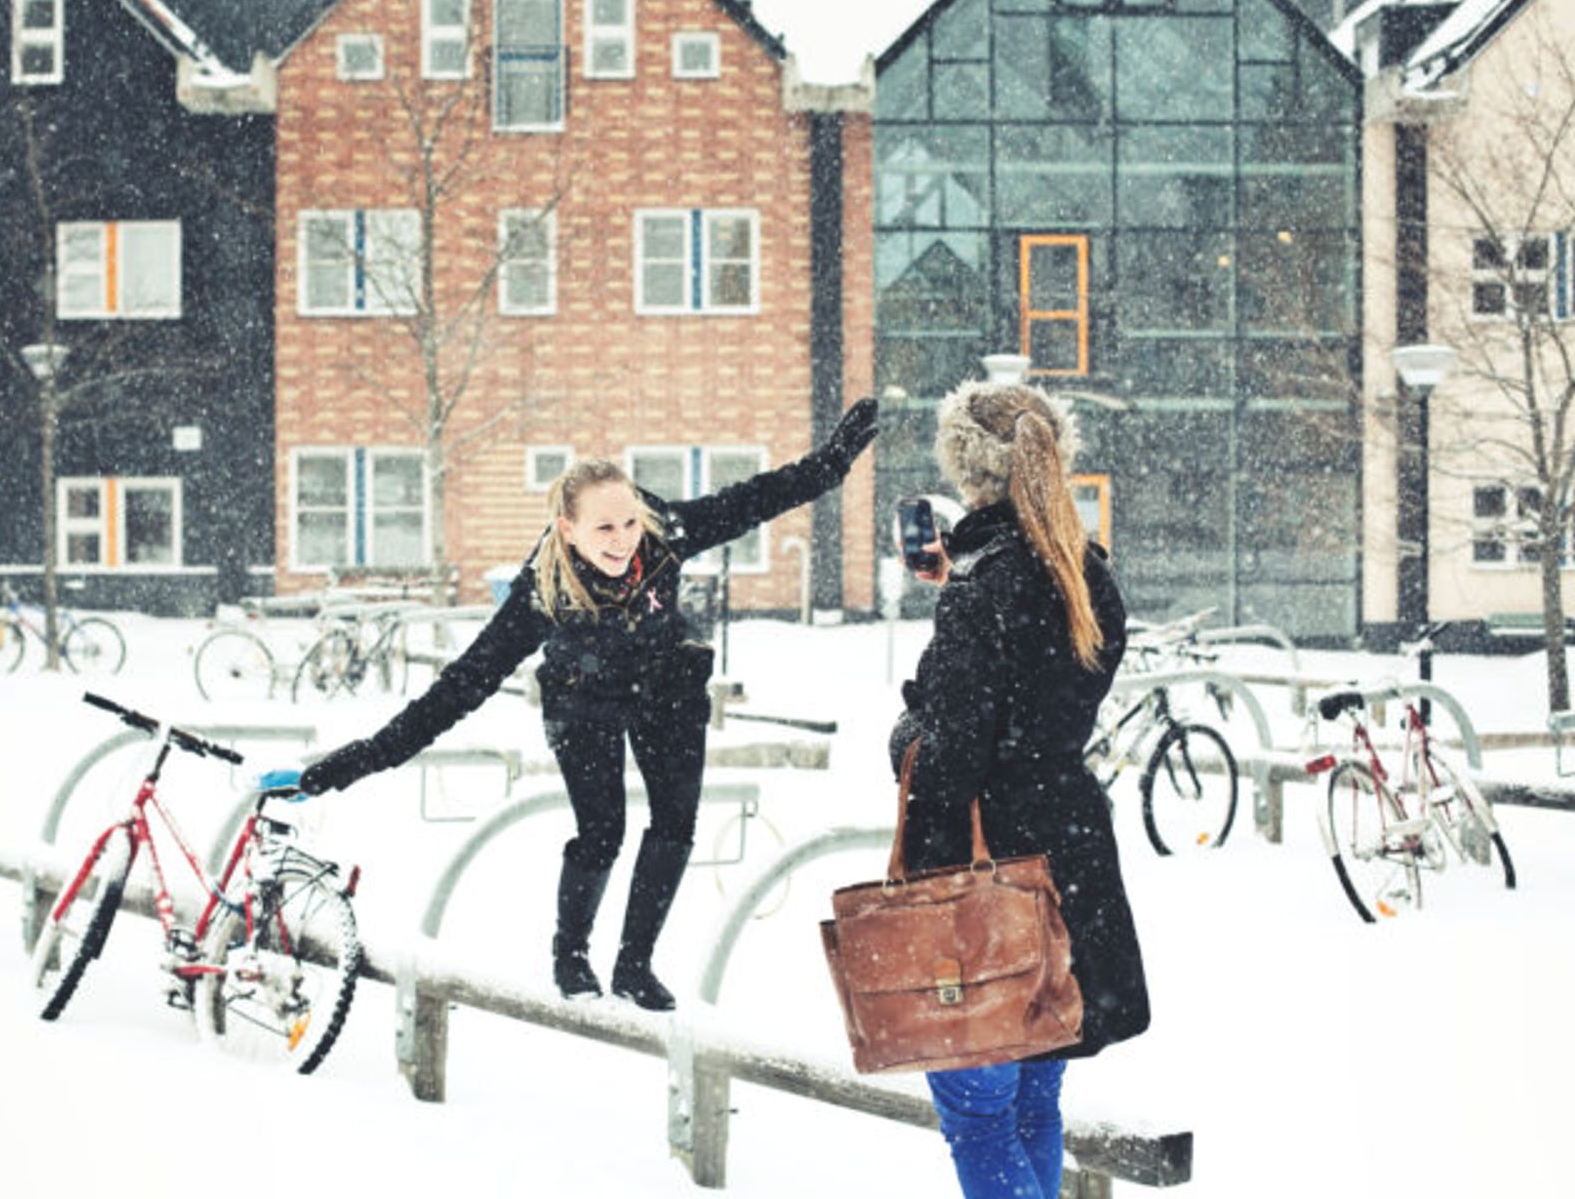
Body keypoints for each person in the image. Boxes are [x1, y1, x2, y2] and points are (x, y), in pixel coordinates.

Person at [299, 399, 879, 1011]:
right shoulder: (542, 592)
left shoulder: (662, 534)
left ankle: (634, 964)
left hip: (665, 688)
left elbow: (757, 498)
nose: (623, 540)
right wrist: (363, 758)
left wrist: (832, 465)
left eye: (628, 522)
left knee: (674, 827)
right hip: (584, 702)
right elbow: (461, 686)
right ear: (567, 528)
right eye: (604, 528)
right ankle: (571, 954)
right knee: (602, 832)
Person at [890, 381, 1148, 1199]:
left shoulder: (983, 589)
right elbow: (1038, 690)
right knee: (1037, 1100)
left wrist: (906, 735)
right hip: (1068, 857)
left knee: (977, 1113)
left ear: (965, 471)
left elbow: (952, 756)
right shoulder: (1085, 575)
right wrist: (961, 592)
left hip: (987, 876)